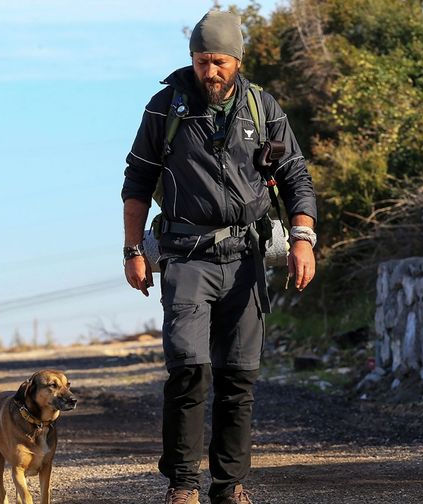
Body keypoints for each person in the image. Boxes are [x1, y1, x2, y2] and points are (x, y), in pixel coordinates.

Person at [121, 10, 317, 504]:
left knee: (238, 376)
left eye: (219, 62)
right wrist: (133, 250)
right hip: (186, 256)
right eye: (202, 61)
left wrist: (302, 239)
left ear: (237, 61)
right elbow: (137, 182)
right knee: (188, 370)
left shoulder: (262, 107)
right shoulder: (165, 108)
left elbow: (296, 175)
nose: (210, 72)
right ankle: (183, 485)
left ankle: (229, 486)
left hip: (245, 257)